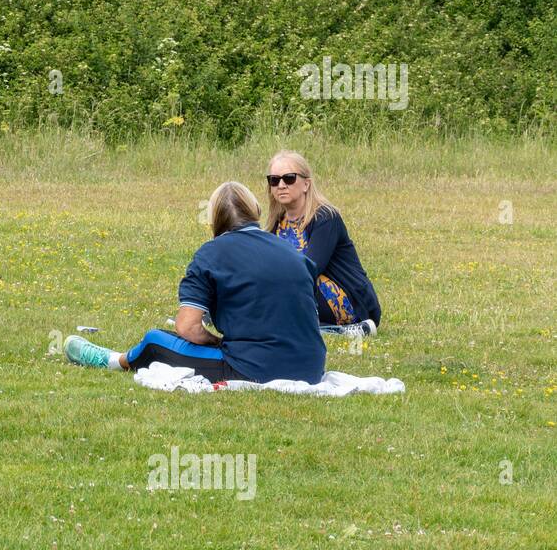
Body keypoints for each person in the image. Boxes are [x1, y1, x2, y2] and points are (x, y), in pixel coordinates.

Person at [65, 181, 326, 383]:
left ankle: (113, 360)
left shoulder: (211, 253)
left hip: (253, 368)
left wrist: (216, 341)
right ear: (255, 211)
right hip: (313, 366)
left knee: (155, 340)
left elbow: (187, 327)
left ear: (214, 219)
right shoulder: (293, 253)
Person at [264, 150, 380, 333]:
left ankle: (343, 328)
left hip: (348, 301)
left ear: (306, 184)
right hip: (301, 294)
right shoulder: (276, 223)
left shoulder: (325, 217)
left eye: (289, 178)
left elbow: (309, 269)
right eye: (274, 180)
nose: (281, 185)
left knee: (289, 280)